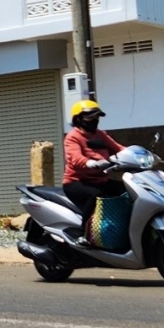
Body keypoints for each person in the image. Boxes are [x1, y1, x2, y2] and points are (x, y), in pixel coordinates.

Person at [62, 99, 125, 246]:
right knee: (95, 196)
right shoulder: (73, 137)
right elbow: (76, 158)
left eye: (97, 117)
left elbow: (118, 148)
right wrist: (91, 163)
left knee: (126, 191)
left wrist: (135, 154)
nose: (94, 120)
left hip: (100, 180)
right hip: (76, 182)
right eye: (90, 117)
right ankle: (84, 235)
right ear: (78, 118)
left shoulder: (100, 135)